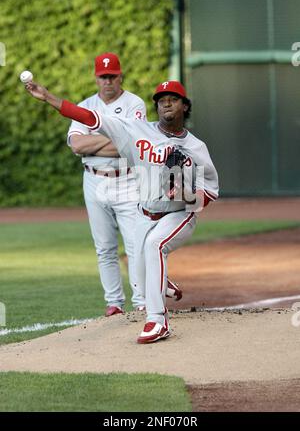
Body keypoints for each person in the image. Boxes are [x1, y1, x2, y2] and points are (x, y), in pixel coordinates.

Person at [25, 79, 219, 344]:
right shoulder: (135, 130)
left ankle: (158, 321)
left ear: (185, 106)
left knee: (154, 245)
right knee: (139, 273)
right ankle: (162, 283)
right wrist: (48, 97)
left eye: (173, 99)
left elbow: (209, 192)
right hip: (144, 212)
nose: (166, 104)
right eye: (161, 100)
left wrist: (185, 194)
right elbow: (89, 117)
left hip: (179, 215)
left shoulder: (196, 147)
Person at [67, 52, 147, 316]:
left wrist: (96, 142)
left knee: (135, 244)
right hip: (93, 180)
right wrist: (113, 140)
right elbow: (77, 145)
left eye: (112, 75)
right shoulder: (85, 105)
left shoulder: (134, 104)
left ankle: (142, 302)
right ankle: (114, 303)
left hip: (127, 180)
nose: (108, 81)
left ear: (120, 75)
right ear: (96, 77)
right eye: (103, 76)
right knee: (104, 247)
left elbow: (131, 147)